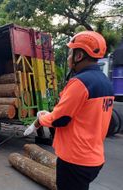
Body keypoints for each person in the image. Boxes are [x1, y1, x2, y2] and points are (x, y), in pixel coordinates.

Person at [24, 31, 114, 190]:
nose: (68, 57)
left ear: (79, 56)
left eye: (71, 52)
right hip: (94, 157)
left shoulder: (80, 83)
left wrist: (40, 119)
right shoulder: (105, 82)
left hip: (75, 159)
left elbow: (60, 119)